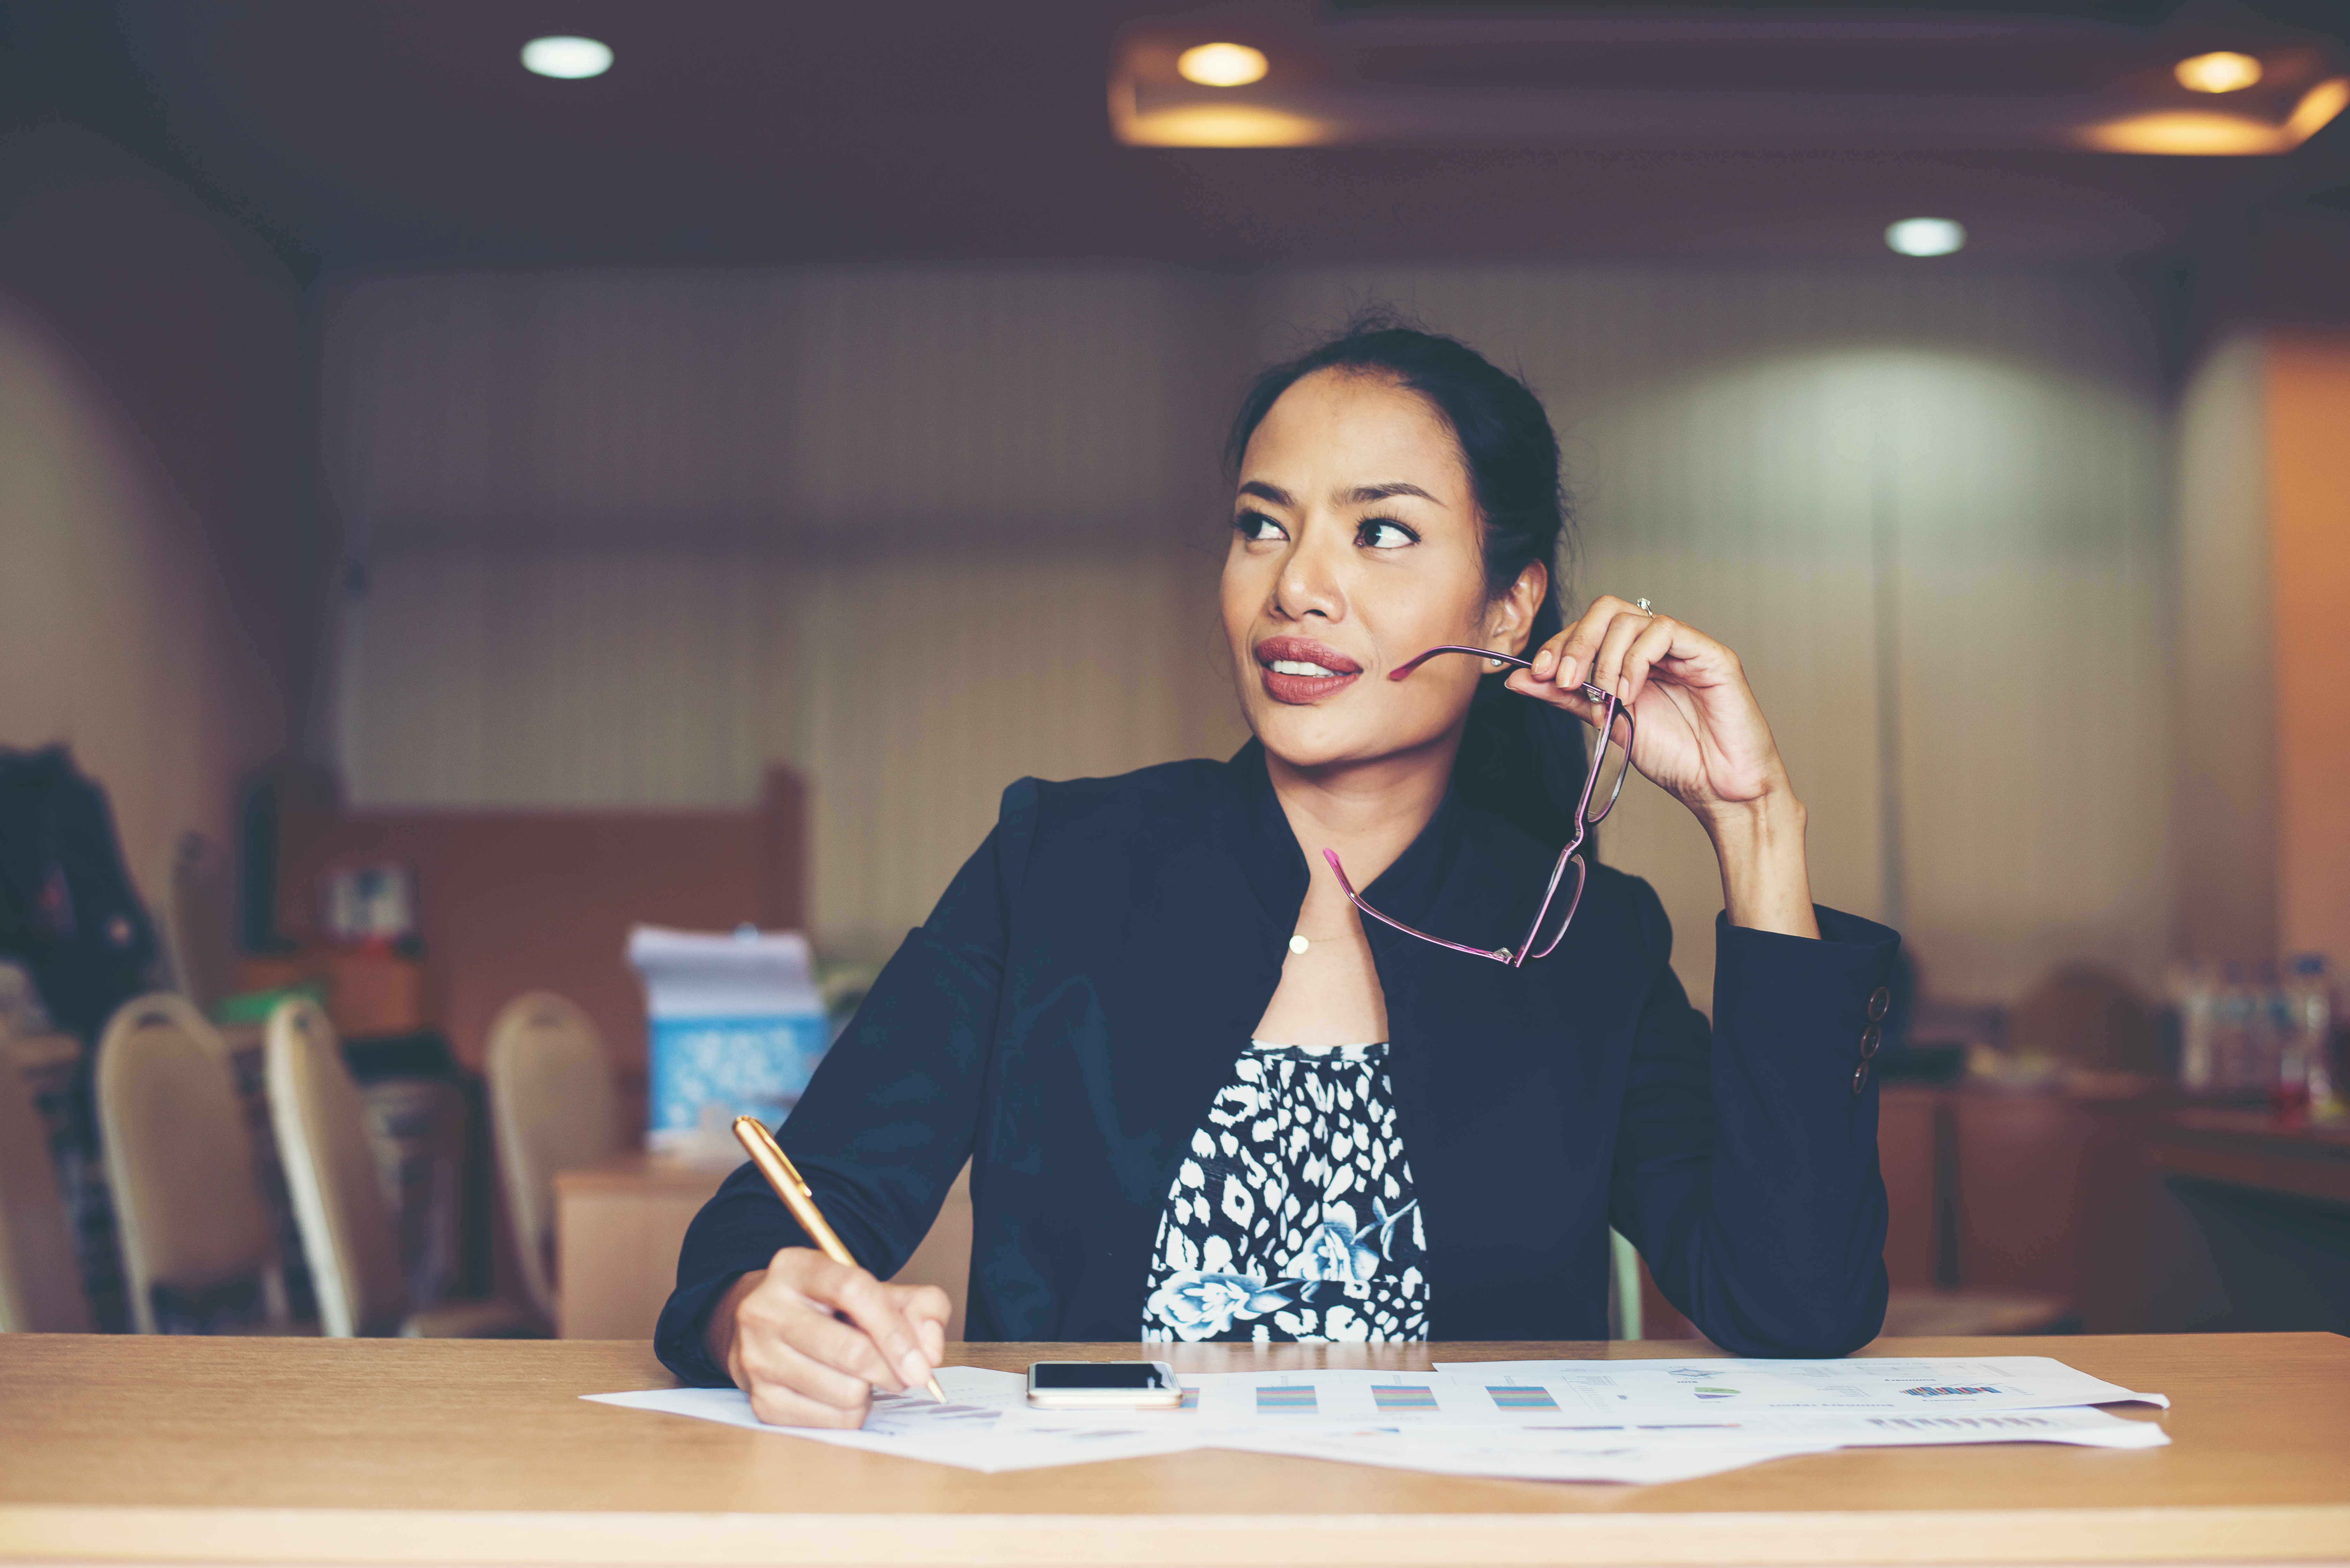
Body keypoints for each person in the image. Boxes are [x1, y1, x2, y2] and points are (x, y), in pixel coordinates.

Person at [655, 315, 1900, 1429]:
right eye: (1262, 526)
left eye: (1380, 531)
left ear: (1509, 609)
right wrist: (761, 1309)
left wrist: (1756, 826)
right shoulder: (1057, 864)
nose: (1296, 586)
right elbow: (778, 1221)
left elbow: (1791, 1305)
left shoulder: (1584, 933)